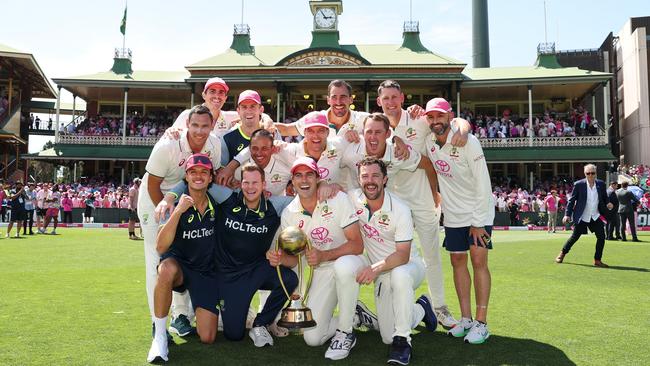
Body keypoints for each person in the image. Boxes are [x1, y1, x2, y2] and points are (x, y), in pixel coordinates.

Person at [158, 162, 298, 347]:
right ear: (240, 184)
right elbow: (196, 181)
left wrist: (324, 186)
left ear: (264, 185)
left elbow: (304, 197)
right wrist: (170, 197)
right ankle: (187, 314)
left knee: (289, 279)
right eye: (246, 182)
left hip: (256, 269)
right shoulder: (227, 198)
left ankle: (261, 324)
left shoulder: (276, 205)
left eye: (255, 183)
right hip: (228, 276)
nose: (250, 187)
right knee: (234, 334)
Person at [138, 105, 222, 339]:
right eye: (195, 125)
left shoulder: (214, 145)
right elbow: (154, 185)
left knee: (189, 253)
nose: (199, 130)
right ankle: (158, 324)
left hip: (185, 199)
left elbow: (203, 179)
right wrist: (167, 213)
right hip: (155, 200)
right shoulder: (167, 146)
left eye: (205, 125)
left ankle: (181, 315)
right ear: (187, 124)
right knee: (158, 261)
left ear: (212, 126)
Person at [279, 157, 372, 360]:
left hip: (349, 262)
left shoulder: (337, 199)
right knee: (312, 338)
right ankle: (354, 315)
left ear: (318, 178)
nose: (304, 180)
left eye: (309, 175)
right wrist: (280, 259)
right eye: (298, 176)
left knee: (343, 266)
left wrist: (324, 255)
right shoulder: (289, 213)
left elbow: (357, 244)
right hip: (317, 273)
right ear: (292, 182)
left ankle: (345, 332)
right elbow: (296, 261)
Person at [348, 158, 438, 365]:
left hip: (408, 266)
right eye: (365, 176)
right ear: (359, 180)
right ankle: (421, 308)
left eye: (375, 176)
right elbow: (331, 195)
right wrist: (327, 186)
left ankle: (403, 343)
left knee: (399, 276)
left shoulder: (400, 209)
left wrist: (373, 268)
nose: (370, 181)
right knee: (387, 334)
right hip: (381, 272)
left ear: (385, 179)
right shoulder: (352, 199)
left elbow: (402, 255)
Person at [423, 97, 494, 344]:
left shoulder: (469, 141)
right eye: (430, 117)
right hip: (452, 215)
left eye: (440, 116)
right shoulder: (428, 142)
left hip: (479, 212)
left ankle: (481, 323)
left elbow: (483, 183)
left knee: (479, 261)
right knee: (457, 261)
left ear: (450, 116)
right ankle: (465, 320)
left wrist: (478, 222)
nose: (435, 121)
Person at [147, 154, 222, 363]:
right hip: (179, 267)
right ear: (186, 177)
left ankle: (188, 314)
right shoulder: (173, 204)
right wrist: (178, 211)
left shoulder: (217, 204)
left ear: (210, 178)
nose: (198, 176)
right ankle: (160, 336)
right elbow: (160, 246)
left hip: (204, 272)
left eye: (203, 172)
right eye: (193, 172)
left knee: (208, 337)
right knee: (165, 269)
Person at [555, 164, 612, 267]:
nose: (590, 175)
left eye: (592, 173)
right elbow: (571, 201)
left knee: (601, 237)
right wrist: (567, 215)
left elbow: (604, 196)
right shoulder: (579, 184)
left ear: (595, 174)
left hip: (595, 216)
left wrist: (608, 203)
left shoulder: (601, 184)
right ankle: (562, 254)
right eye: (588, 173)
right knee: (574, 237)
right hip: (582, 216)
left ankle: (597, 260)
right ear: (585, 174)